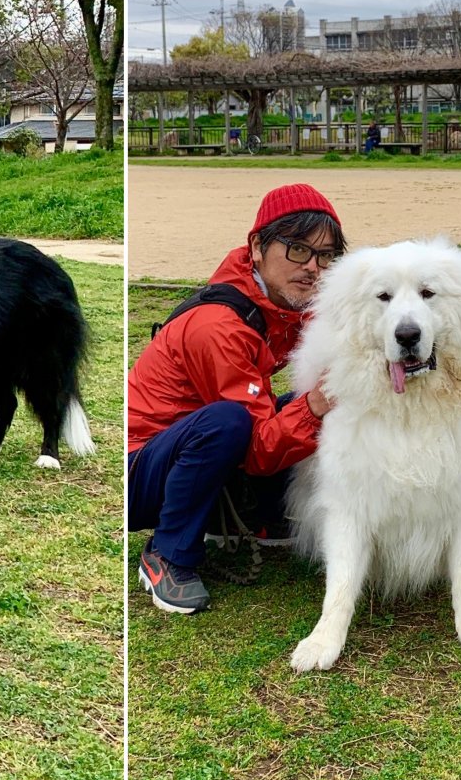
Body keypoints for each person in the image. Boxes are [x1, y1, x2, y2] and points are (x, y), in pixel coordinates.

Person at [126, 183, 345, 615]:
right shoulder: (219, 326)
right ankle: (168, 553)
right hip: (135, 472)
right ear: (258, 247)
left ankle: (252, 518)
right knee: (231, 422)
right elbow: (258, 448)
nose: (313, 267)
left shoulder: (276, 302)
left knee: (280, 406)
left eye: (326, 256)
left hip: (179, 451)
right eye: (298, 249)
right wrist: (317, 404)